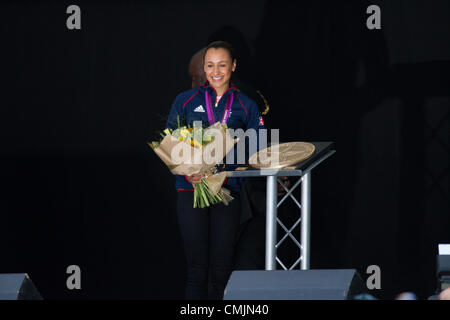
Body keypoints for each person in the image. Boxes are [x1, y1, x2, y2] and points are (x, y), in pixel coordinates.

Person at [166, 41, 264, 300]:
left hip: (226, 191)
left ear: (233, 66)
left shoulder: (246, 105)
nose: (216, 71)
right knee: (196, 270)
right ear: (204, 68)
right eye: (210, 65)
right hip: (191, 189)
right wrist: (187, 172)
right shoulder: (185, 100)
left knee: (222, 269)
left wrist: (240, 166)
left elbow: (258, 148)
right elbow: (171, 142)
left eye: (222, 64)